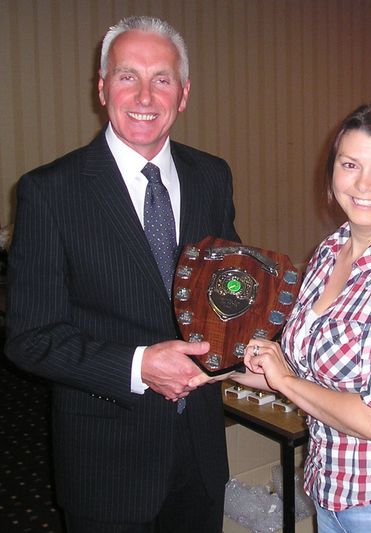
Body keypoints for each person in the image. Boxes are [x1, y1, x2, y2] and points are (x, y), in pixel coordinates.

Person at [6, 15, 239, 533]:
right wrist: (138, 367)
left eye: (162, 78)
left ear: (183, 94)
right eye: (127, 75)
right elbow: (29, 337)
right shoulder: (50, 192)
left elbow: (229, 290)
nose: (144, 94)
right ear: (102, 86)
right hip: (106, 461)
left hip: (199, 451)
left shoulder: (211, 176)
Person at [193, 104, 371, 532]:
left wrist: (284, 379)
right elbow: (305, 377)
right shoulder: (328, 252)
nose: (363, 184)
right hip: (333, 490)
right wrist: (219, 367)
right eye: (350, 164)